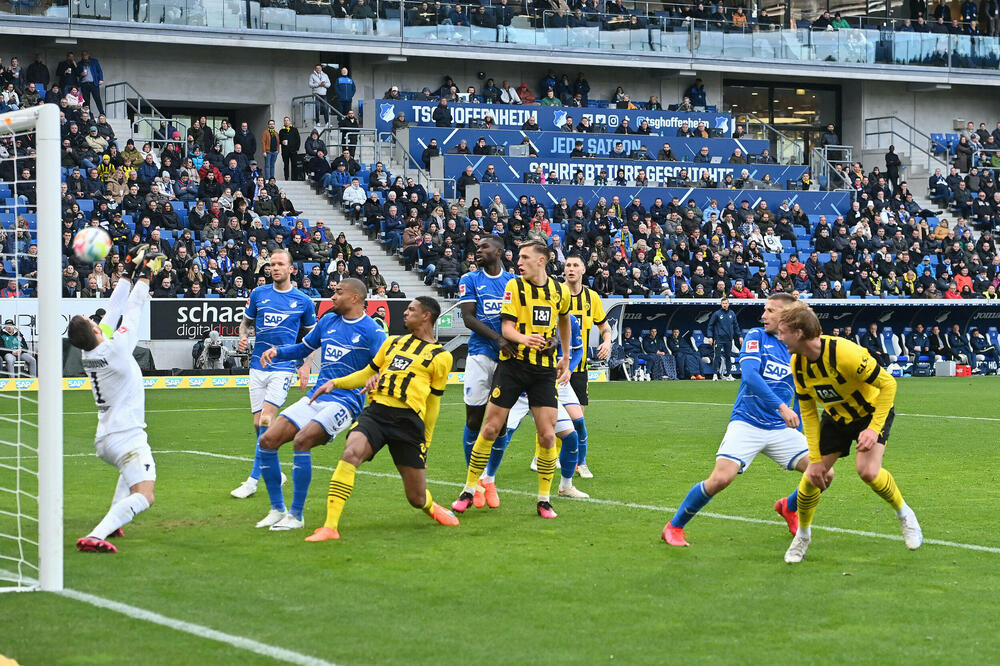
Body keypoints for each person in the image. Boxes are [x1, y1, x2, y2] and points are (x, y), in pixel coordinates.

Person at [663, 294, 813, 546]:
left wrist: (801, 424)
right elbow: (750, 376)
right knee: (721, 478)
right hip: (747, 422)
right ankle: (674, 526)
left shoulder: (797, 348)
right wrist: (782, 408)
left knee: (822, 473)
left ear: (788, 317)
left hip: (778, 428)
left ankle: (789, 506)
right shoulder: (756, 336)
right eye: (764, 310)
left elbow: (802, 390)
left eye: (771, 311)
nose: (763, 315)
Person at [777, 301, 922, 563]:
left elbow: (888, 384)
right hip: (836, 418)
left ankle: (904, 514)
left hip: (871, 413)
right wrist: (815, 458)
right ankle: (804, 534)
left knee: (868, 472)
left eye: (782, 331)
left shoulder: (845, 353)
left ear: (798, 333)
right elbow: (808, 412)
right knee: (812, 474)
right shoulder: (797, 364)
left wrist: (874, 429)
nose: (779, 337)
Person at [304, 297, 458, 541]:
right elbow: (368, 372)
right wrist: (335, 383)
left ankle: (431, 506)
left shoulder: (441, 357)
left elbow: (433, 404)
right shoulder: (392, 343)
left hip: (408, 423)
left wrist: (425, 443)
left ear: (426, 316)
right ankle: (330, 527)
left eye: (411, 310)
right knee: (350, 453)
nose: (405, 313)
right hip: (376, 413)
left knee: (416, 498)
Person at [252, 279, 387, 531]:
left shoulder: (373, 331)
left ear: (355, 298)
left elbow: (384, 367)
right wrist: (277, 352)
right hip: (316, 396)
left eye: (338, 293)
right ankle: (277, 509)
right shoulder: (328, 321)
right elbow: (303, 348)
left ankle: (296, 515)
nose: (332, 297)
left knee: (303, 440)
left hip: (346, 403)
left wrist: (375, 378)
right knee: (267, 440)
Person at [451, 240, 573, 519]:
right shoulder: (513, 287)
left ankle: (543, 499)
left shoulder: (558, 290)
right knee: (486, 426)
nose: (518, 261)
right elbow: (505, 326)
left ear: (542, 260)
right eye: (517, 256)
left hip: (542, 371)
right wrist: (523, 339)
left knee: (546, 434)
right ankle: (470, 488)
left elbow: (564, 320)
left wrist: (563, 352)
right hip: (509, 364)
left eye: (524, 257)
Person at [66, 249, 164, 553]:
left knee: (128, 472)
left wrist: (126, 272)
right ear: (95, 330)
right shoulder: (117, 348)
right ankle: (97, 535)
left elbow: (114, 307)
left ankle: (115, 519)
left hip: (106, 438)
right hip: (126, 437)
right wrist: (146, 273)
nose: (97, 320)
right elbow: (132, 308)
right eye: (91, 319)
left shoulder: (89, 352)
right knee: (145, 495)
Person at [230, 250, 317, 499]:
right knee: (258, 424)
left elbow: (311, 338)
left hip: (283, 367)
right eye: (272, 264)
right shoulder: (258, 294)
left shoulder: (303, 301)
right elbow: (246, 323)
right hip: (257, 366)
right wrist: (243, 337)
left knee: (267, 420)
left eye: (280, 264)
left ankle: (253, 480)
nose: (275, 268)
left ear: (292, 269)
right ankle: (275, 471)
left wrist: (306, 364)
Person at [480, 315, 591, 501]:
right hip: (520, 390)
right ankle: (485, 477)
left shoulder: (566, 319)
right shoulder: (525, 313)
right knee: (498, 433)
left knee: (571, 435)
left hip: (546, 388)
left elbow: (573, 350)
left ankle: (566, 485)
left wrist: (566, 365)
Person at [457, 237, 516, 508]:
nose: (477, 251)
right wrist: (498, 338)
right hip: (480, 355)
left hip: (507, 359)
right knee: (474, 419)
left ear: (499, 252)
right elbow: (468, 318)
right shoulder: (470, 279)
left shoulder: (514, 283)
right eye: (476, 247)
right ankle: (474, 482)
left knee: (500, 424)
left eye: (483, 247)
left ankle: (489, 479)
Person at [558, 254, 612, 477]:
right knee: (551, 415)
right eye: (568, 265)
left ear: (582, 270)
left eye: (575, 265)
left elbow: (603, 325)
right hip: (555, 367)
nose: (571, 269)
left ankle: (579, 462)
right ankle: (545, 455)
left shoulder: (592, 297)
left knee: (577, 419)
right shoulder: (555, 293)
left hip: (579, 369)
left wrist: (607, 340)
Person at [706, 297, 741, 380]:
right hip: (719, 338)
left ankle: (729, 375)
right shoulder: (717, 314)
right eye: (723, 303)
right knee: (717, 356)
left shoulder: (732, 313)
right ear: (721, 304)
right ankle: (715, 375)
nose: (725, 305)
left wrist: (739, 336)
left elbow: (736, 326)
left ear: (728, 304)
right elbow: (710, 325)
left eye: (726, 303)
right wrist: (710, 337)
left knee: (728, 356)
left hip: (729, 339)